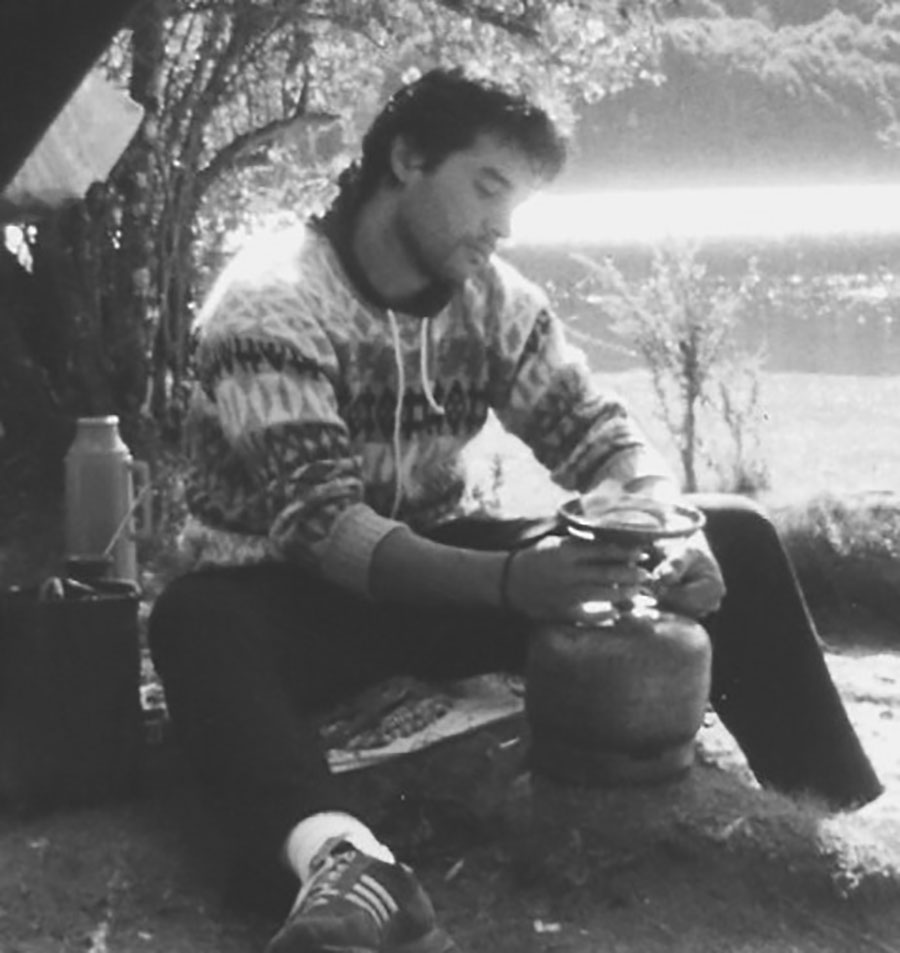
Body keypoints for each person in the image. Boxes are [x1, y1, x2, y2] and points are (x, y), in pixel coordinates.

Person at [148, 67, 882, 953]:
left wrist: (665, 531)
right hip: (289, 598)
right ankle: (344, 862)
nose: (501, 225)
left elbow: (599, 436)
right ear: (407, 160)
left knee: (735, 532)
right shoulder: (272, 298)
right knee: (194, 621)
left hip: (439, 574)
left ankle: (841, 831)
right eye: (487, 187)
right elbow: (322, 529)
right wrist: (508, 583)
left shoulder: (493, 299)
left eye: (517, 203)